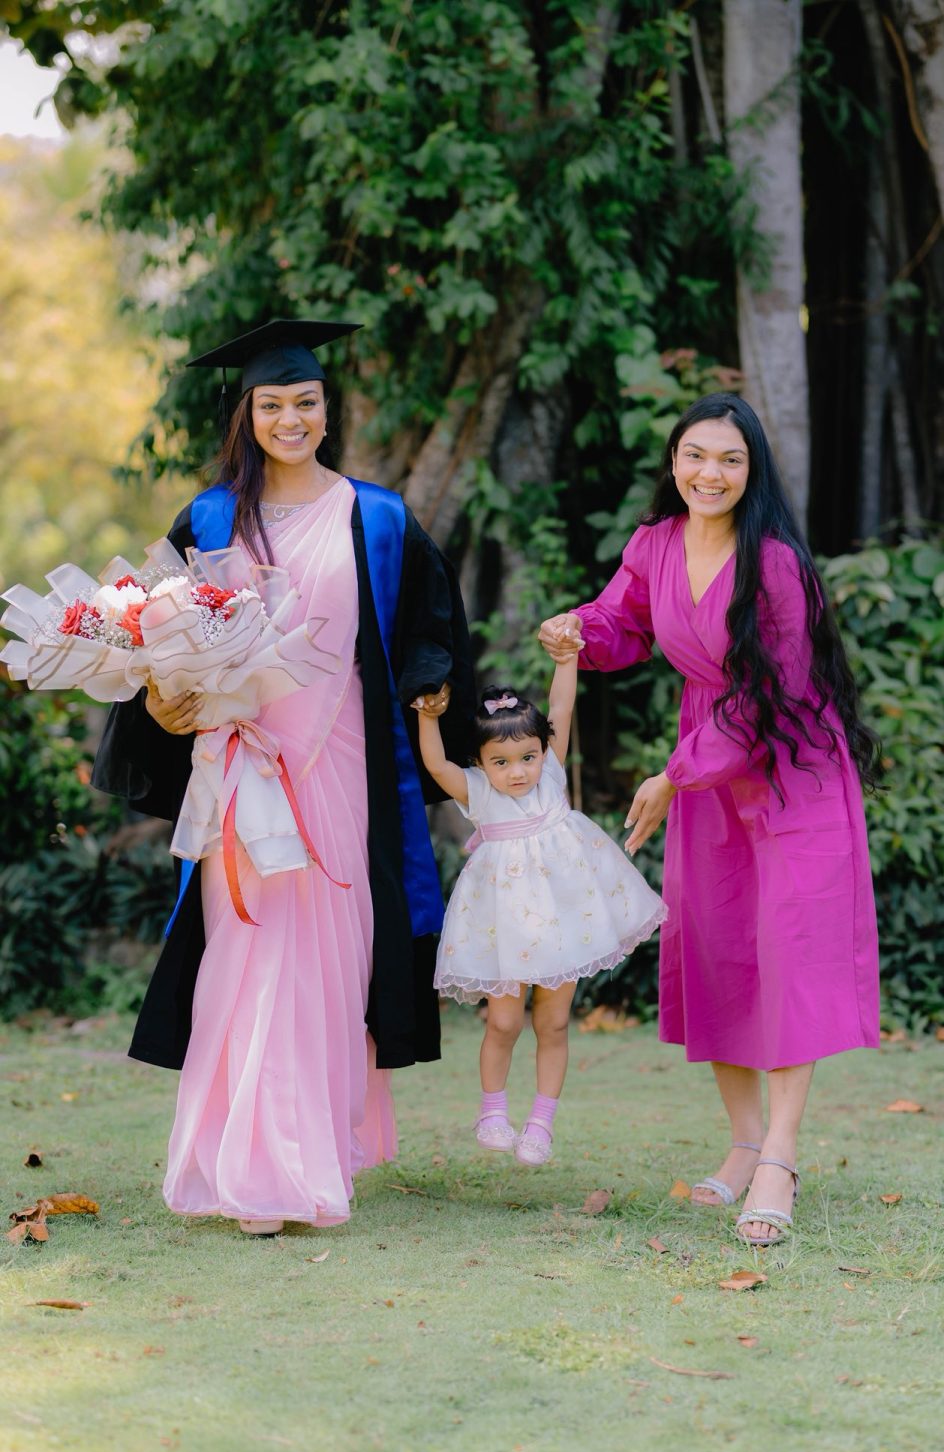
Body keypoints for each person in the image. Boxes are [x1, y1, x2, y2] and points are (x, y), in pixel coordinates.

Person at [92, 318, 474, 1234]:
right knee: (248, 947)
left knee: (333, 954)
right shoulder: (210, 519)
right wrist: (164, 698)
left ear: (328, 411)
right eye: (273, 405)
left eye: (306, 402)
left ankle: (310, 1156)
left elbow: (429, 629)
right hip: (241, 762)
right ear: (248, 414)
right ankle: (252, 1166)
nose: (291, 419)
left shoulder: (377, 517)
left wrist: (431, 685)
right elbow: (154, 639)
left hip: (343, 764)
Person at [539, 392, 881, 1245]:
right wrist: (576, 629)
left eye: (730, 459)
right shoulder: (655, 542)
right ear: (674, 461)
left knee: (790, 953)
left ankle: (781, 1157)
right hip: (707, 772)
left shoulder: (776, 565)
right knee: (720, 949)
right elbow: (623, 621)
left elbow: (773, 696)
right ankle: (743, 1143)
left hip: (789, 768)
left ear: (751, 470)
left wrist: (672, 775)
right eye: (695, 455)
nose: (710, 473)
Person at [413, 655, 666, 1166]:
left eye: (527, 757)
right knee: (504, 1023)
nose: (518, 771)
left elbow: (560, 706)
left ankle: (541, 1124)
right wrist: (427, 715)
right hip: (506, 927)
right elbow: (436, 766)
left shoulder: (551, 772)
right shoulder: (477, 790)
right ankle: (492, 1112)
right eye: (501, 762)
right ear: (480, 763)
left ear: (543, 751)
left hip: (565, 922)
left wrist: (566, 659)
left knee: (553, 1024)